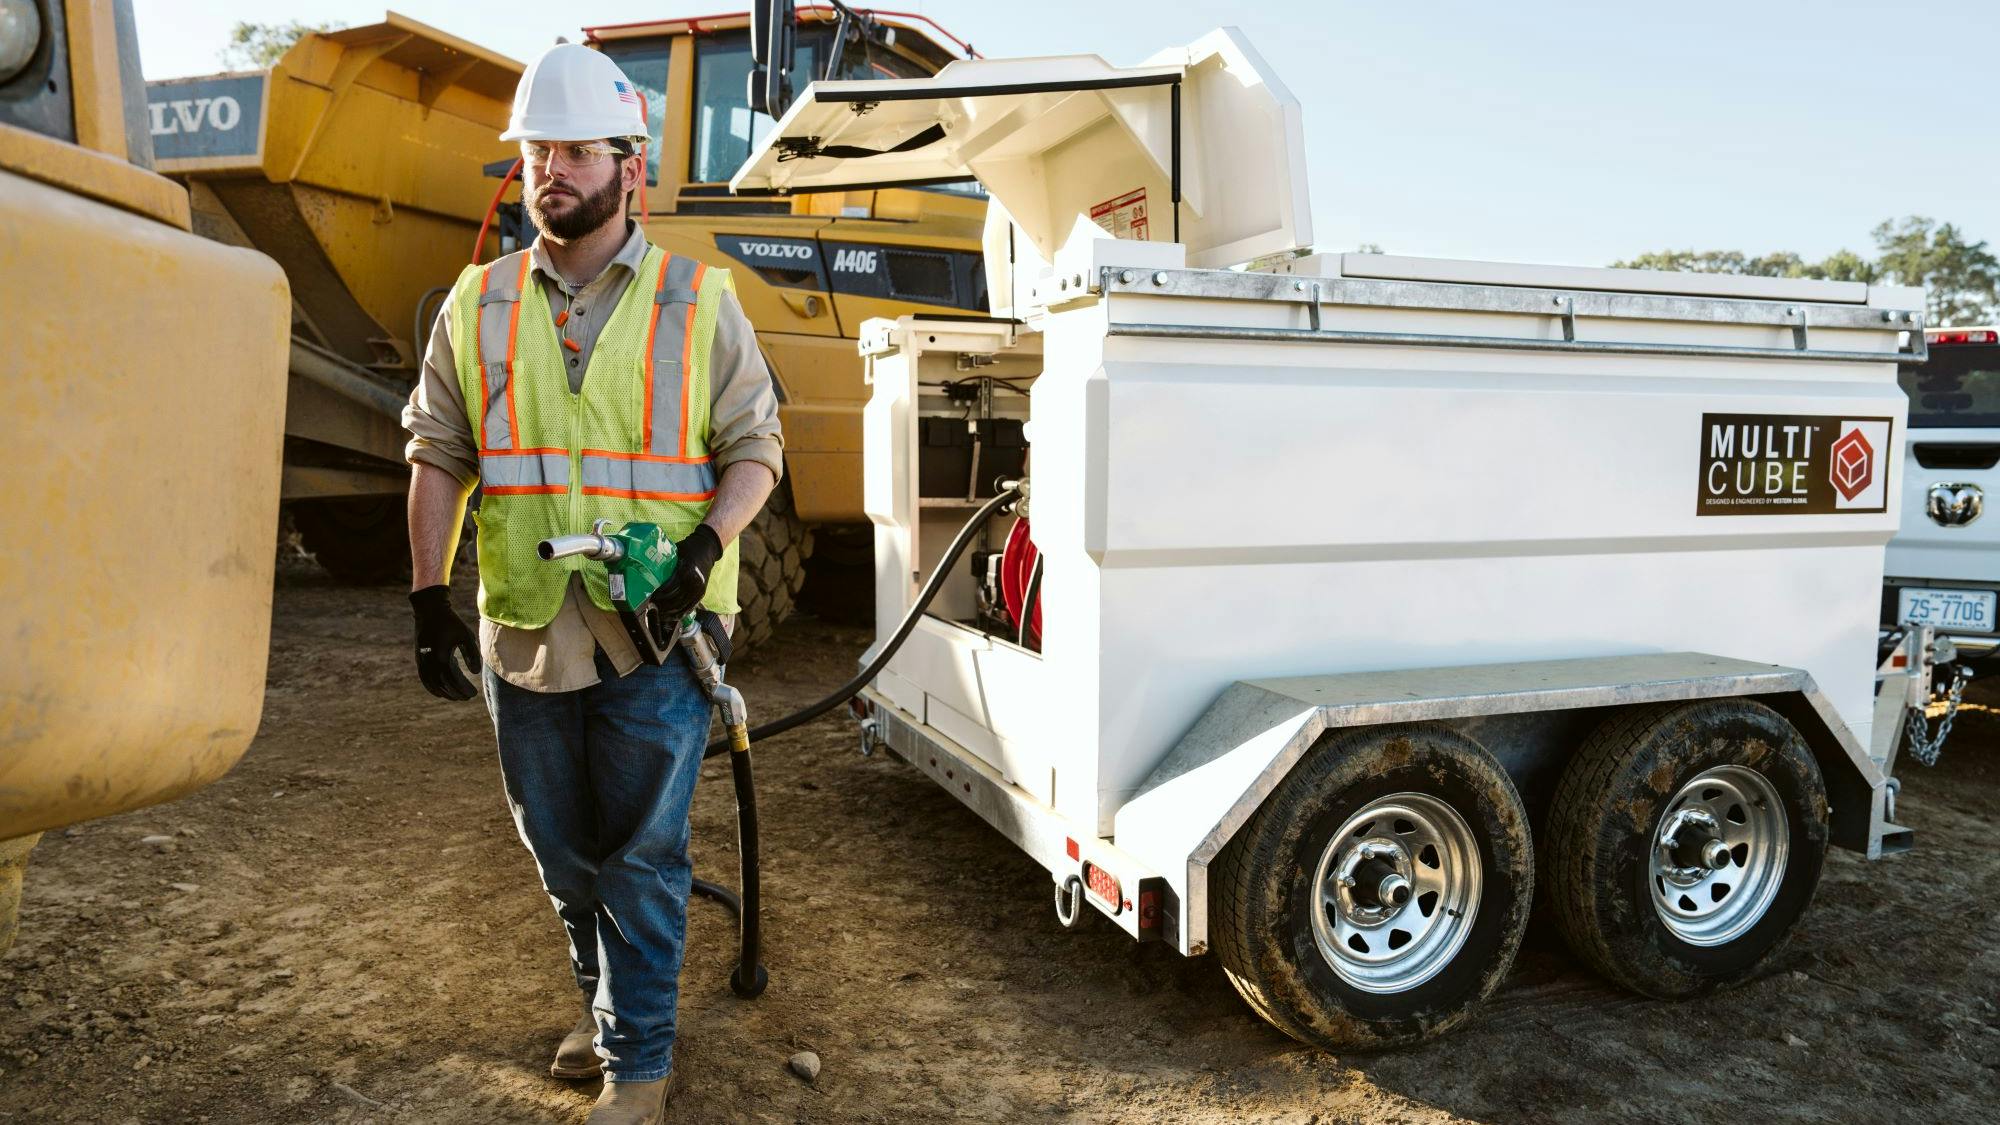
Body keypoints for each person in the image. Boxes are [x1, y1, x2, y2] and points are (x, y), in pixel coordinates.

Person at [400, 43, 781, 1125]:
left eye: (573, 150)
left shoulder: (697, 302)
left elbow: (755, 449)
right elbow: (437, 454)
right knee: (561, 852)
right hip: (524, 627)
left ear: (630, 168)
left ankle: (639, 1064)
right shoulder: (476, 304)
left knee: (644, 854)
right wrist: (427, 597)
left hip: (657, 631)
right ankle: (610, 1001)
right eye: (535, 151)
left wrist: (702, 556)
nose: (550, 170)